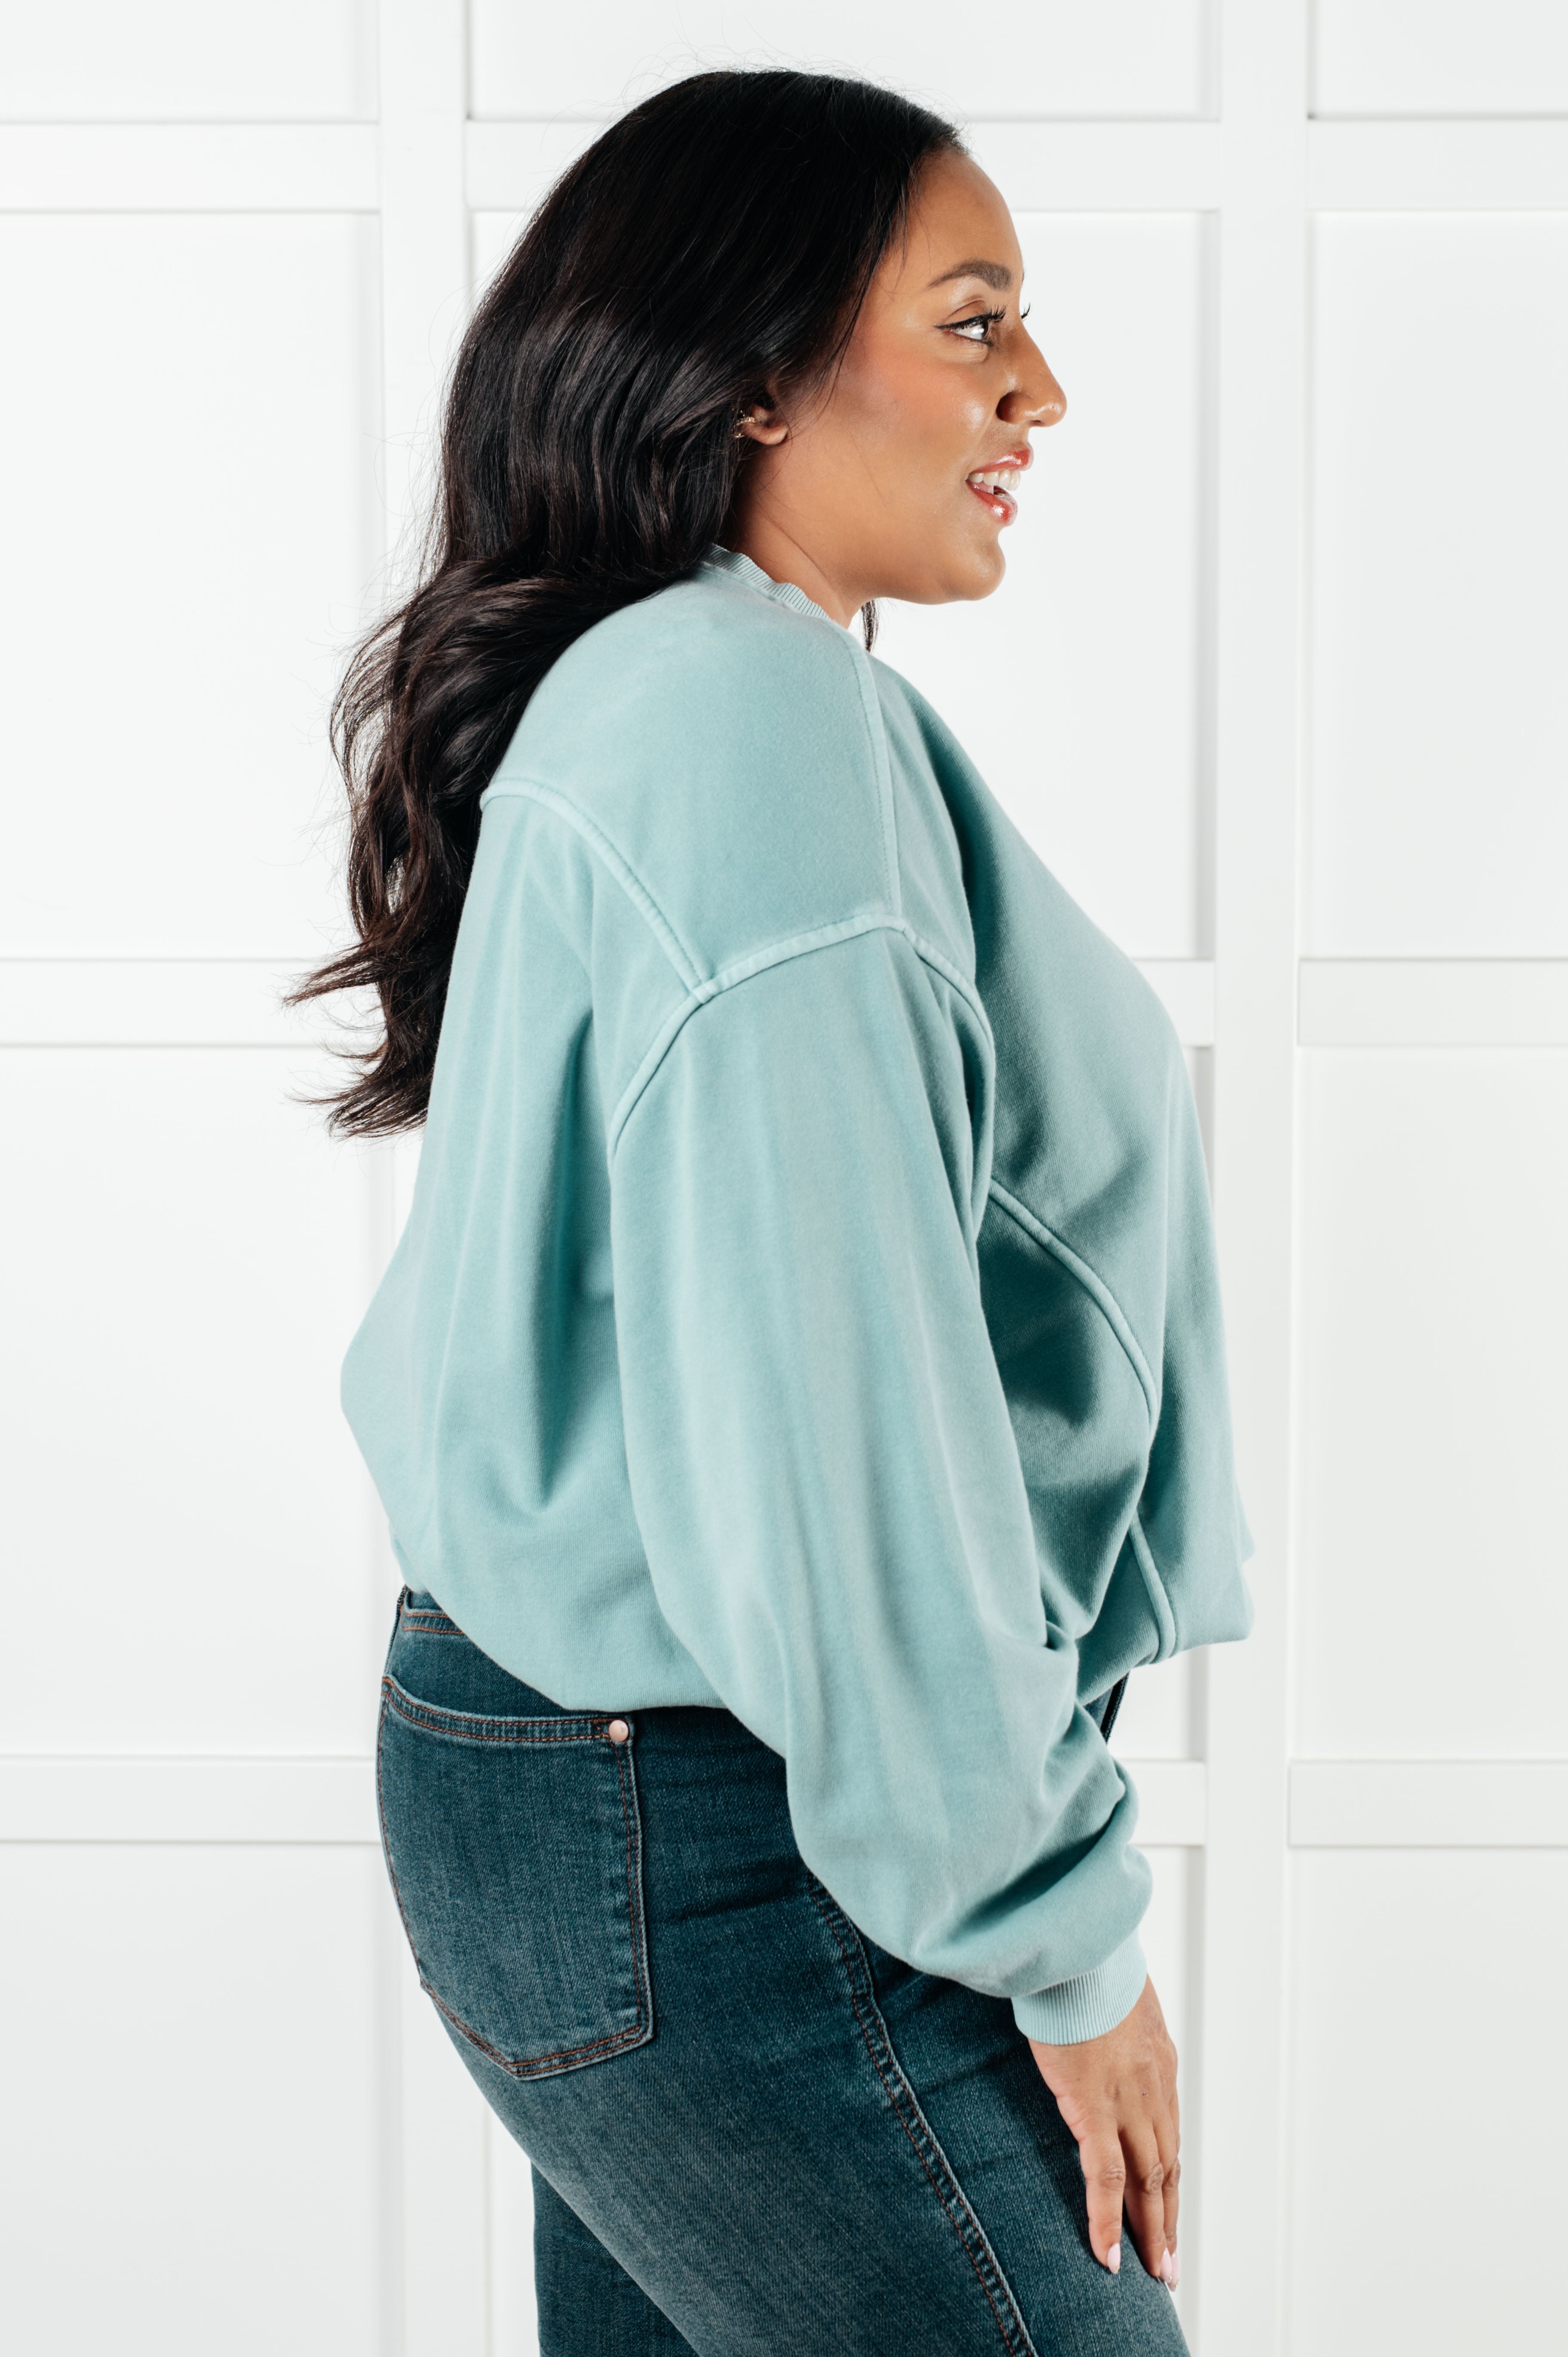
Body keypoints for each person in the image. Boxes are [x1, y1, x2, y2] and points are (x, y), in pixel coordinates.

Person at [295, 67, 1254, 2357]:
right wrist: (1065, 1944)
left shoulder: (668, 690)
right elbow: (849, 1452)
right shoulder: (752, 732)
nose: (1040, 391)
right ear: (749, 373)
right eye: (972, 320)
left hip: (582, 1782)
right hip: (735, 1826)